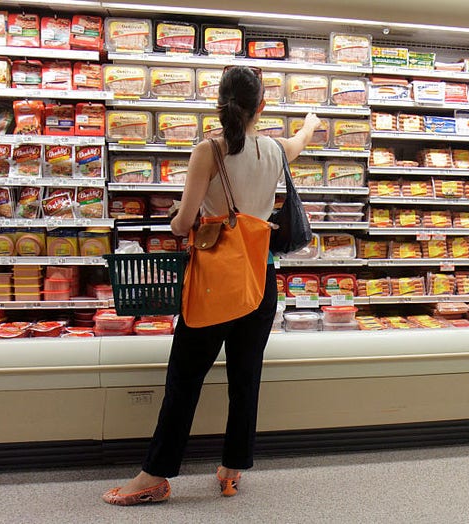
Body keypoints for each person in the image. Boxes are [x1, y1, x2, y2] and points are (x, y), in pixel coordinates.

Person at [102, 65, 320, 506]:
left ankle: (154, 477)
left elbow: (182, 225)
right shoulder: (276, 151)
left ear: (220, 103)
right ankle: (231, 469)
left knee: (185, 380)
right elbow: (299, 143)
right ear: (262, 106)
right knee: (246, 379)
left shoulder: (210, 151)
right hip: (260, 280)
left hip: (213, 284)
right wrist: (311, 124)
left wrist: (178, 219)